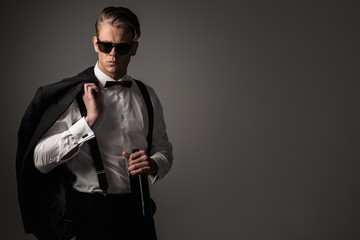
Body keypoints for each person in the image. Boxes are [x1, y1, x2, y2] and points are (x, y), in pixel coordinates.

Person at [16, 6, 173, 240]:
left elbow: (163, 148)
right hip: (91, 216)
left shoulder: (147, 94)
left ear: (134, 48)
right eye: (105, 45)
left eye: (121, 48)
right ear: (95, 44)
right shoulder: (74, 96)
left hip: (139, 212)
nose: (112, 54)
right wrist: (88, 122)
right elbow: (39, 160)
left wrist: (154, 163)